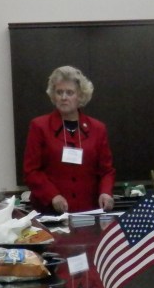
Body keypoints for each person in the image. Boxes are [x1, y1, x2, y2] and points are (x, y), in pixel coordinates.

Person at [23, 66, 115, 214]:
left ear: (80, 96)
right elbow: (31, 171)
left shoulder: (98, 129)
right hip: (50, 211)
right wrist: (52, 195)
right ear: (54, 96)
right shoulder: (39, 126)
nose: (64, 97)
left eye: (70, 92)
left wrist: (106, 192)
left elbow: (106, 171)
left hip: (88, 211)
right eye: (59, 92)